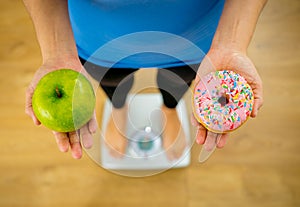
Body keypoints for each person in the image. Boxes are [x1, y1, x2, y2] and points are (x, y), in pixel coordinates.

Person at [24, 0, 266, 160]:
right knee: (111, 81)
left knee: (179, 82)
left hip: (197, 38)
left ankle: (169, 110)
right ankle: (119, 108)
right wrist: (57, 49)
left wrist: (232, 43)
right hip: (97, 37)